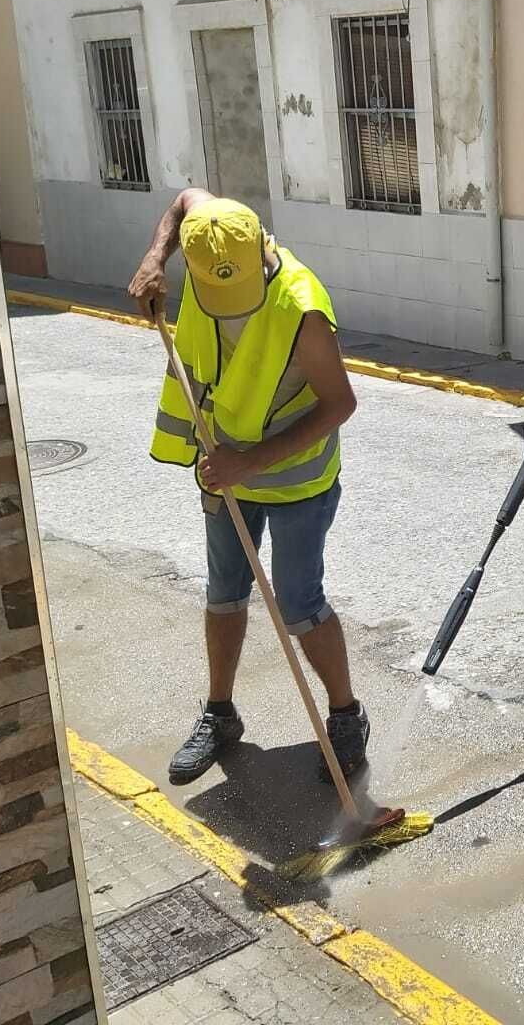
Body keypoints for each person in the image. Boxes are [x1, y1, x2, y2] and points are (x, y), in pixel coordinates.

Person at [128, 190, 369, 786]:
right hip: (223, 462)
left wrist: (250, 463)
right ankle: (220, 714)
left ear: (260, 248)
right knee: (224, 592)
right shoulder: (209, 233)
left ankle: (345, 715)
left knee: (299, 603)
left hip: (295, 480)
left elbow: (340, 404)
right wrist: (155, 256)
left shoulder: (302, 307)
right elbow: (184, 201)